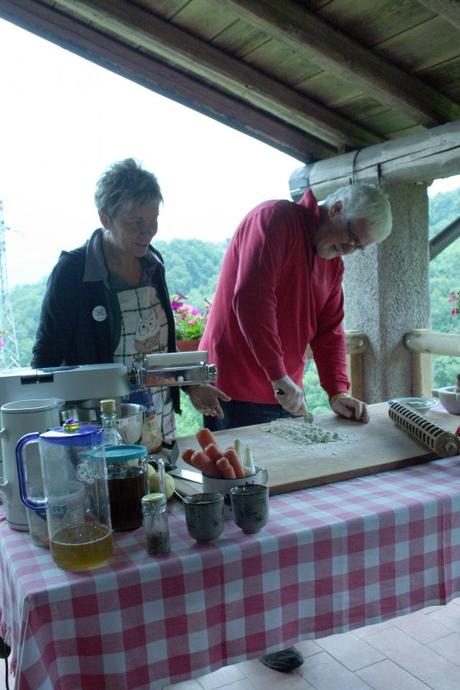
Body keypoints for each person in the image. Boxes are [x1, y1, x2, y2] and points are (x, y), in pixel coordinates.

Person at [199, 182, 392, 672]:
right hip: (234, 386)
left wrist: (338, 391)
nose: (347, 249)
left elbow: (330, 329)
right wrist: (280, 376)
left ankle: (265, 621)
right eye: (349, 237)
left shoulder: (332, 261)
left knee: (276, 514)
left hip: (278, 388)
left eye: (357, 247)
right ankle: (246, 629)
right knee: (245, 516)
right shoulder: (275, 220)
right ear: (335, 207)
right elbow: (250, 299)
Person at [31, 158, 228, 444]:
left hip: (157, 417)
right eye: (136, 222)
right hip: (99, 426)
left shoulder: (153, 264)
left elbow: (160, 349)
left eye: (153, 220)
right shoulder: (73, 272)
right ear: (105, 218)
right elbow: (46, 359)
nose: (148, 231)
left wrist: (190, 385)